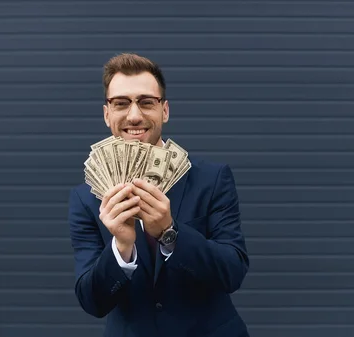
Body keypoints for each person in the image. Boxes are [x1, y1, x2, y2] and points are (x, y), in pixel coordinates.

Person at [67, 53, 250, 337]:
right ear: (107, 115)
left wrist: (170, 233)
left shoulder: (212, 179)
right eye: (121, 103)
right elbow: (92, 301)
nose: (135, 115)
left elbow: (232, 272)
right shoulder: (87, 198)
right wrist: (121, 249)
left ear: (164, 111)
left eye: (146, 102)